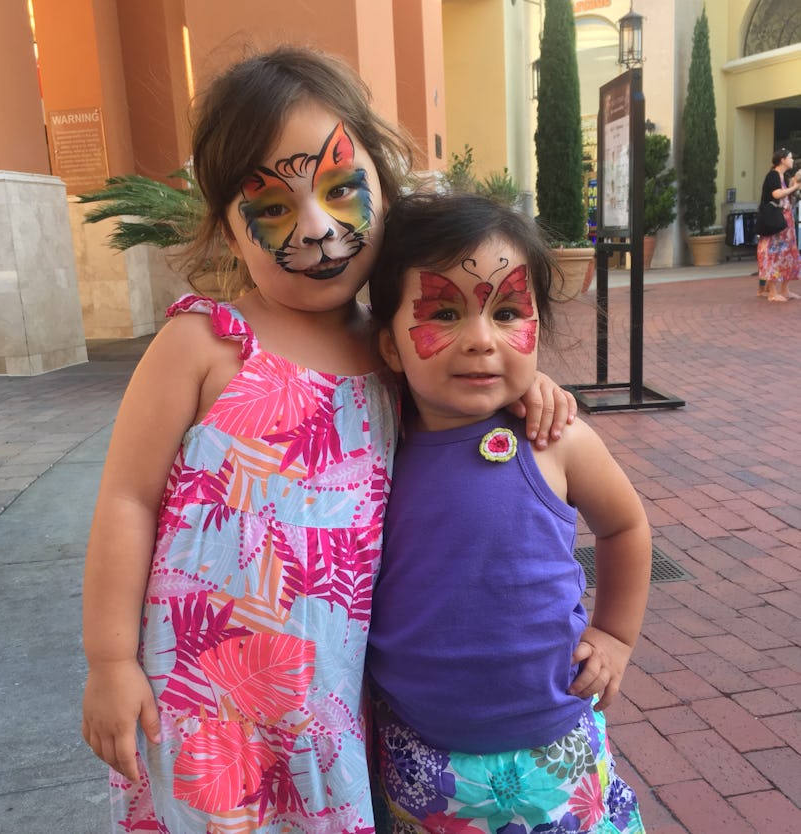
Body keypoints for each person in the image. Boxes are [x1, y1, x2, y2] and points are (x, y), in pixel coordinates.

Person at [80, 47, 576, 833]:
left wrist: (530, 387)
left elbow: (471, 396)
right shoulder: (206, 344)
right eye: (270, 205)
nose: (316, 229)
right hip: (200, 704)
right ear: (224, 225)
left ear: (384, 181)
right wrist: (109, 662)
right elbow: (127, 498)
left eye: (343, 189)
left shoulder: (399, 352)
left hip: (330, 711)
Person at [366, 191, 652, 834]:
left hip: (554, 748)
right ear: (389, 346)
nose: (480, 341)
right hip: (420, 756)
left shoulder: (558, 442)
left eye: (507, 311)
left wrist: (615, 635)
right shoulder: (375, 442)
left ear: (537, 330)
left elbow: (625, 525)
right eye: (443, 311)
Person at [757, 148, 801, 302]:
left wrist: (795, 183)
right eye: (790, 157)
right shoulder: (773, 175)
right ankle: (772, 292)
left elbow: (790, 196)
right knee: (773, 254)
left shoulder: (785, 176)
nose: (792, 160)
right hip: (776, 221)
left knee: (788, 254)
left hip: (786, 222)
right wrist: (794, 187)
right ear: (782, 159)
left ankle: (785, 289)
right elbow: (776, 194)